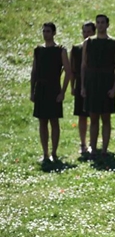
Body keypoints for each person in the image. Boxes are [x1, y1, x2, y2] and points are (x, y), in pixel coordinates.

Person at [81, 14, 115, 156]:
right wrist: (83, 86)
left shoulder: (114, 42)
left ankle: (104, 149)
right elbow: (84, 65)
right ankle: (92, 147)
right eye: (97, 22)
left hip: (107, 81)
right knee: (93, 117)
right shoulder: (88, 42)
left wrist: (114, 87)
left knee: (106, 117)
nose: (100, 25)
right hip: (92, 82)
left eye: (102, 22)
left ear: (107, 24)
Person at [31, 22, 71, 162]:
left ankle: (54, 152)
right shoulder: (38, 50)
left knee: (54, 121)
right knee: (42, 122)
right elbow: (34, 71)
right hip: (41, 88)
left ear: (54, 33)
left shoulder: (60, 50)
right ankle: (45, 153)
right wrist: (32, 91)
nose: (46, 33)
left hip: (54, 88)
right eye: (44, 31)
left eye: (48, 31)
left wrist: (63, 91)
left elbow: (68, 72)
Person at [69, 21, 95, 155]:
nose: (86, 34)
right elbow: (72, 69)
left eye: (89, 32)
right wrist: (72, 86)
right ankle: (83, 143)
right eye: (84, 31)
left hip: (93, 83)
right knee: (81, 115)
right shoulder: (76, 48)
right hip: (80, 82)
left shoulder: (96, 47)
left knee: (93, 114)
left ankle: (93, 143)